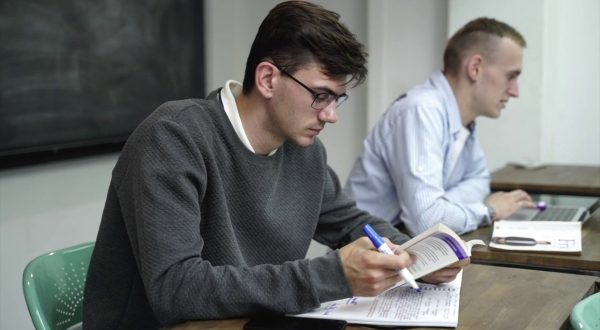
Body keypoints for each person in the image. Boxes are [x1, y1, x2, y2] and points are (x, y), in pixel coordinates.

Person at [83, 1, 462, 328]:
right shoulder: (173, 138)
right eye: (320, 95)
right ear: (267, 79)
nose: (331, 115)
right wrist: (331, 276)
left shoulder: (304, 151)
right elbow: (177, 289)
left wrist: (412, 253)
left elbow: (349, 222)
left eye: (337, 99)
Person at [344, 17, 536, 237]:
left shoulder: (463, 119)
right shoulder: (421, 110)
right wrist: (488, 210)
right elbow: (427, 222)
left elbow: (480, 181)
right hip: (367, 259)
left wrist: (441, 207)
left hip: (404, 247)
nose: (515, 91)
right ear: (475, 68)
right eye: (510, 76)